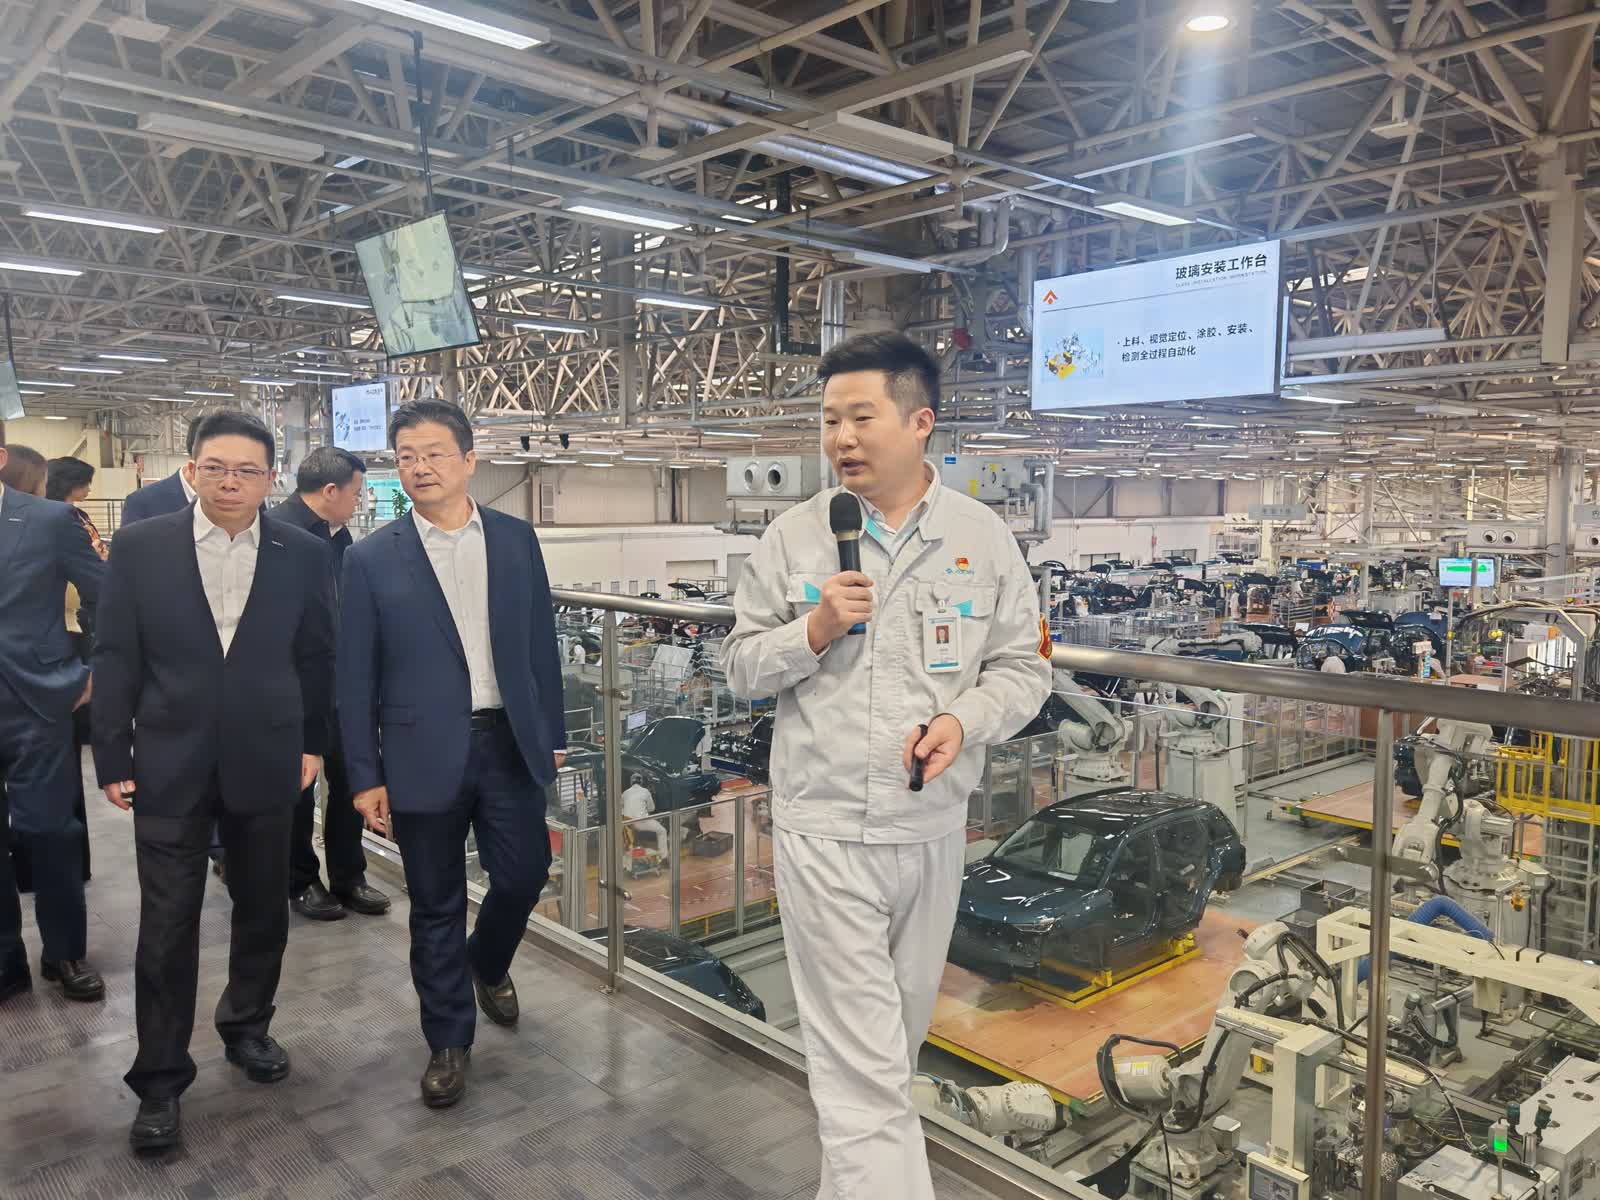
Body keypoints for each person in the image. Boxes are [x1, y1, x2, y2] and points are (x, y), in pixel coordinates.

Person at [722, 332, 1051, 1200]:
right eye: (830, 420)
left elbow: (1024, 668)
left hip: (933, 829)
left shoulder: (981, 537)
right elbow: (740, 667)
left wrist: (962, 720)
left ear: (919, 422)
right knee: (863, 1076)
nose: (841, 438)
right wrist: (813, 630)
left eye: (861, 417)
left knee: (885, 1057)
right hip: (826, 829)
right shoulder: (795, 537)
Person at [92, 410, 335, 1152]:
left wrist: (314, 743)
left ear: (270, 478)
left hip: (269, 754)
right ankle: (159, 1079)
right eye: (217, 467)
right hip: (170, 758)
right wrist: (112, 754)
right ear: (192, 470)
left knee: (262, 906)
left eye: (248, 470)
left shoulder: (301, 552)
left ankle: (247, 1025)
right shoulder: (142, 545)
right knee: (167, 922)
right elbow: (116, 654)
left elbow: (316, 655)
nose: (232, 482)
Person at [338, 400, 565, 1110]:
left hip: (508, 741)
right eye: (406, 456)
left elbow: (540, 644)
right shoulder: (369, 558)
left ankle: (487, 961)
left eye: (434, 453)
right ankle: (448, 1042)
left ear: (469, 460)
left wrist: (553, 734)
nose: (420, 467)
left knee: (524, 875)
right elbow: (354, 678)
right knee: (434, 903)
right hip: (417, 752)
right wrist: (364, 775)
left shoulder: (515, 539)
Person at [0, 430, 106, 1009]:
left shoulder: (49, 520)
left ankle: (64, 952)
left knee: (51, 832)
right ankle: (5, 960)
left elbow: (107, 594)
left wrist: (93, 670)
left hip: (37, 700)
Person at [269, 446, 389, 922]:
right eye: (357, 494)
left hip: (340, 681)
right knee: (298, 789)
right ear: (331, 490)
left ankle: (348, 874)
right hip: (294, 685)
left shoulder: (339, 538)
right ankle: (300, 879)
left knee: (350, 778)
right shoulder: (277, 535)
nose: (360, 503)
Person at [48, 457, 106, 886]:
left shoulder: (59, 517)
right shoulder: (64, 520)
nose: (88, 490)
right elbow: (97, 579)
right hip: (68, 632)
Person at [620, 773, 667, 853]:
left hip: (627, 823)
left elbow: (621, 808)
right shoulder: (645, 791)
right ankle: (663, 855)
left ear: (631, 782)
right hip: (641, 822)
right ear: (641, 782)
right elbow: (652, 808)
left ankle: (627, 857)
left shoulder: (625, 793)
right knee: (662, 831)